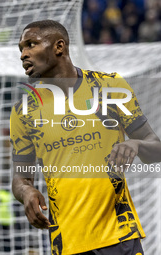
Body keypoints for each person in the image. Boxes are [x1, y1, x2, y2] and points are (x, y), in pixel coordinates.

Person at [11, 19, 161, 255]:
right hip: (67, 244)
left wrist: (136, 144)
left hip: (120, 237)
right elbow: (21, 179)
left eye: (31, 44)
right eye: (21, 48)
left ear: (59, 47)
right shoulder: (24, 111)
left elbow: (156, 150)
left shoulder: (109, 87)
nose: (24, 54)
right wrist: (26, 191)